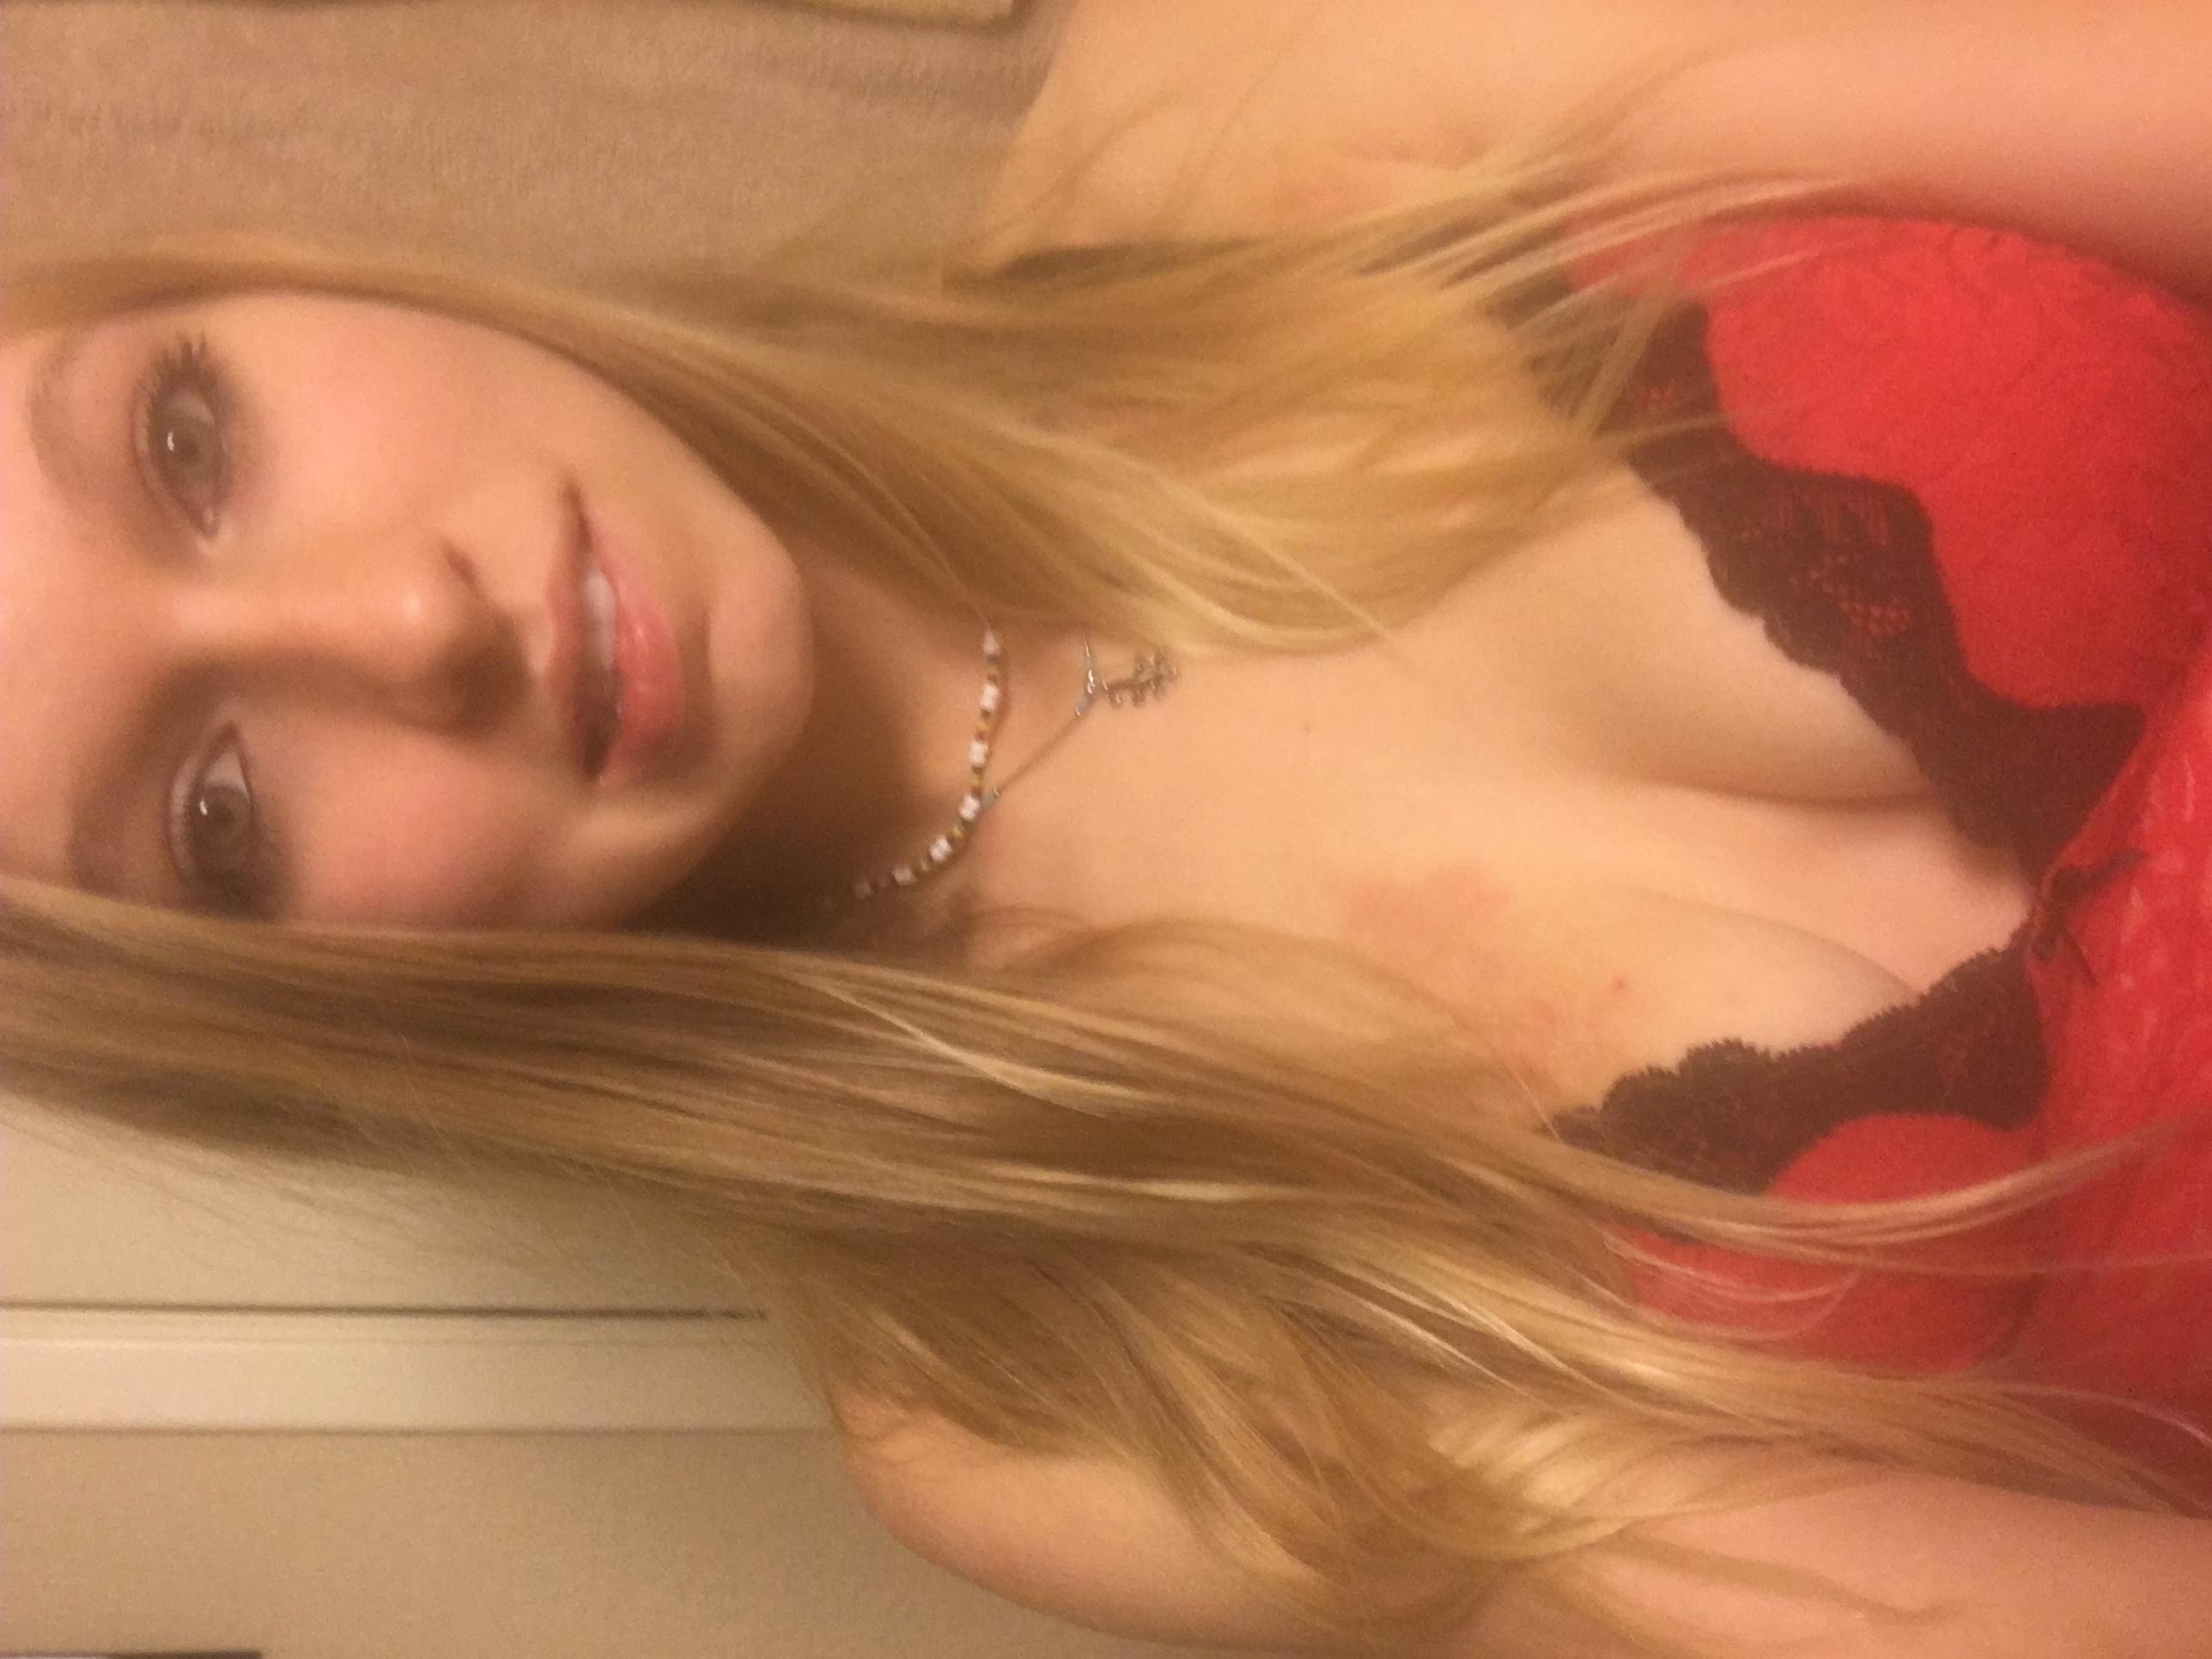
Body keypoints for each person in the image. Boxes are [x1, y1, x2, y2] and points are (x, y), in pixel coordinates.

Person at [4, 3, 2210, 1654]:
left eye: (190, 443)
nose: (406, 622)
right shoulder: (1029, 1384)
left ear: (252, 277)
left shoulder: (1256, 90)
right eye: (219, 809)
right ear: (305, 1015)